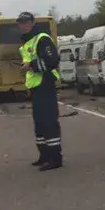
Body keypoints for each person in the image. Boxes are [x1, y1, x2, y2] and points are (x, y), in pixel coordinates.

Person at [17, 11, 63, 171]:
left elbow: (52, 60)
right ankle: (44, 156)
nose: (23, 25)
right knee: (39, 124)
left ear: (32, 22)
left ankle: (55, 158)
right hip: (36, 88)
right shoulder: (26, 43)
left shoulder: (42, 38)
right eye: (21, 23)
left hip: (46, 85)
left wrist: (31, 65)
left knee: (49, 122)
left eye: (26, 22)